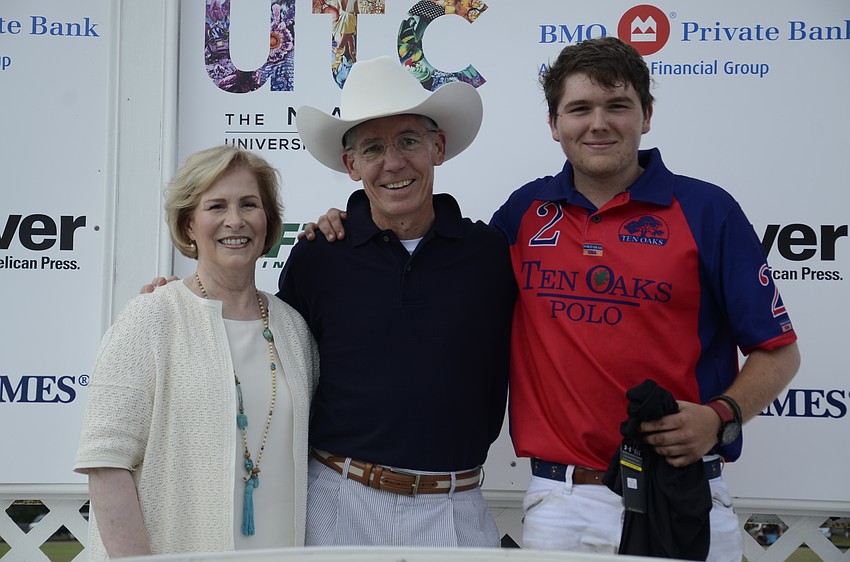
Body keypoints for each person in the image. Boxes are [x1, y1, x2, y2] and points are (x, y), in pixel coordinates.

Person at [307, 38, 800, 559]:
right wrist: (348, 222)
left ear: (647, 115)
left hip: (681, 487)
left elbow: (779, 350)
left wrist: (721, 417)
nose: (598, 124)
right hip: (561, 500)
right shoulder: (525, 212)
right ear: (553, 123)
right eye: (580, 109)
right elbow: (428, 253)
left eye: (617, 106)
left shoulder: (708, 211)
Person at [281, 55, 516, 547]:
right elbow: (262, 345)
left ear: (438, 148)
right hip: (337, 500)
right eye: (373, 148)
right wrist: (189, 295)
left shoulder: (492, 255)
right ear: (351, 165)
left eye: (409, 141)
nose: (393, 163)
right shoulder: (317, 257)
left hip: (456, 506)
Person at [75, 146, 319, 558]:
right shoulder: (152, 316)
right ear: (189, 224)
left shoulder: (292, 328)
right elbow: (105, 462)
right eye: (216, 206)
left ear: (268, 222)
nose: (235, 220)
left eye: (249, 204)